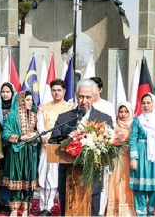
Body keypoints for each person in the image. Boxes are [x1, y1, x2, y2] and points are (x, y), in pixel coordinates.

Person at [48, 78, 113, 216]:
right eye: (81, 96)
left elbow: (110, 148)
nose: (84, 101)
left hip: (92, 179)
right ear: (76, 96)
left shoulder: (104, 119)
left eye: (88, 97)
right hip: (67, 177)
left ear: (94, 97)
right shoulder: (64, 118)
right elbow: (53, 142)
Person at [37, 79, 73, 216]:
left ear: (64, 91)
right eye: (54, 90)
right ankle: (44, 207)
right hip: (47, 146)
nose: (56, 93)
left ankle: (57, 206)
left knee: (58, 178)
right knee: (44, 177)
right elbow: (40, 125)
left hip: (63, 148)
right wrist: (44, 137)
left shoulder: (69, 108)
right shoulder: (44, 107)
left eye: (59, 90)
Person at [3, 91, 41, 217]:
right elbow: (5, 133)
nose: (30, 102)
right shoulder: (13, 116)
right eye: (28, 100)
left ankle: (26, 208)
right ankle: (14, 209)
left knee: (29, 180)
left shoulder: (35, 116)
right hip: (17, 151)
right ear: (21, 102)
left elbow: (40, 131)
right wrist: (21, 137)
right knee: (17, 179)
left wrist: (35, 134)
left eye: (31, 100)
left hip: (31, 152)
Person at [129, 93, 155, 217]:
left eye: (148, 103)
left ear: (153, 103)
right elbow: (133, 139)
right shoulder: (138, 119)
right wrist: (133, 158)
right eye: (143, 103)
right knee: (140, 187)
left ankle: (152, 213)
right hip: (141, 154)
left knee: (154, 187)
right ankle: (141, 214)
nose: (146, 105)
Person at [89, 76, 116, 216]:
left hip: (101, 150)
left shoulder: (108, 106)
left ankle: (99, 211)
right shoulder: (83, 105)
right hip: (86, 150)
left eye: (95, 88)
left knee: (101, 183)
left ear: (100, 89)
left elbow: (112, 129)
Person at [105, 101, 136, 216]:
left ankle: (127, 212)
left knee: (126, 182)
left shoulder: (133, 125)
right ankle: (113, 211)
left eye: (126, 112)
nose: (123, 114)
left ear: (130, 112)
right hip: (116, 159)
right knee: (114, 182)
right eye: (121, 111)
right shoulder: (113, 125)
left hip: (129, 159)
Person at [0, 82, 17, 213]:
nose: (5, 94)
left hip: (13, 145)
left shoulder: (16, 108)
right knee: (0, 172)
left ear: (12, 93)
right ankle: (1, 200)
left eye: (8, 92)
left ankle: (10, 201)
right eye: (3, 92)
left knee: (11, 172)